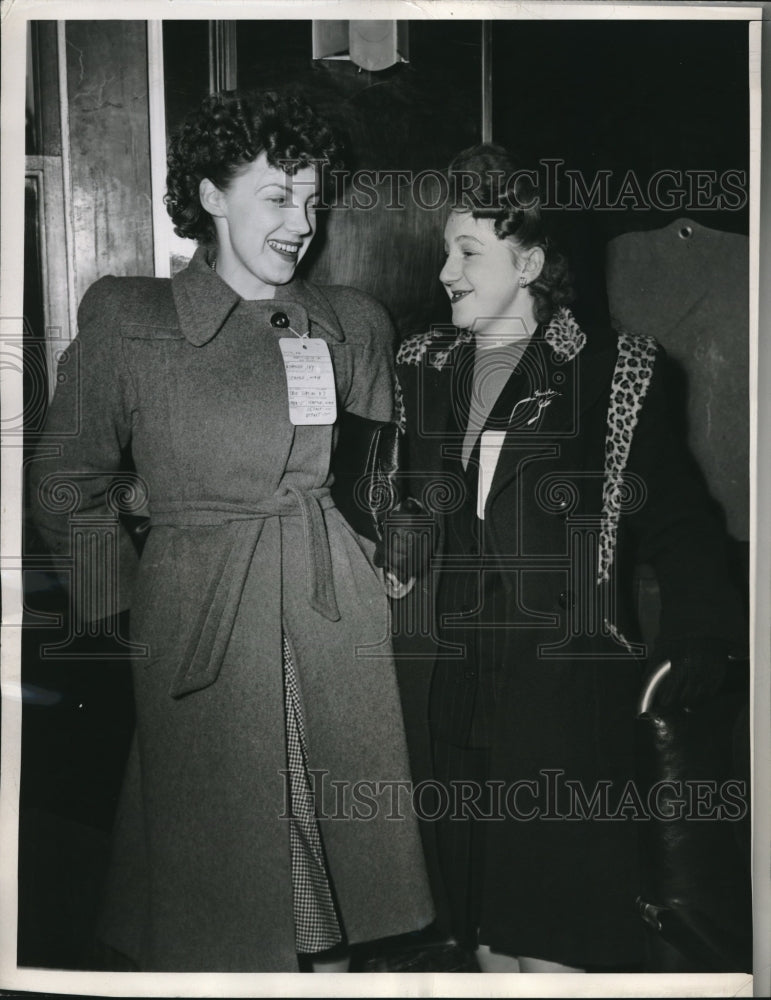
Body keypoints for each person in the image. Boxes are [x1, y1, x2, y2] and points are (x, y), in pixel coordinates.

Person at [30, 89, 433, 973]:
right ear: (212, 197)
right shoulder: (130, 318)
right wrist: (136, 612)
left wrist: (391, 549)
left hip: (334, 628)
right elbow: (67, 486)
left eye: (313, 200)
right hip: (200, 629)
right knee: (223, 896)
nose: (303, 222)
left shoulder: (355, 322)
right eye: (279, 196)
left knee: (338, 882)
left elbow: (376, 483)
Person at [393, 143, 746, 972]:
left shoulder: (617, 372)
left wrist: (696, 644)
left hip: (563, 700)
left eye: (466, 252)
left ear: (530, 263)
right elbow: (405, 501)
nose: (444, 270)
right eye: (445, 250)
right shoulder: (423, 367)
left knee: (555, 947)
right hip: (450, 698)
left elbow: (682, 526)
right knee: (475, 938)